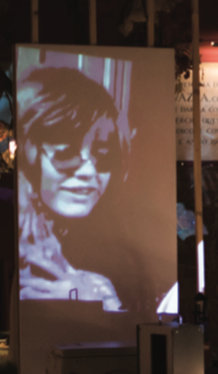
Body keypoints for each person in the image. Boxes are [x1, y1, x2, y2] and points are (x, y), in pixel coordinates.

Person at [17, 67, 132, 311]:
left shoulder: (119, 242)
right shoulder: (19, 230)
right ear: (29, 154)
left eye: (103, 155)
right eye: (66, 153)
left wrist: (105, 301)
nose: (89, 171)